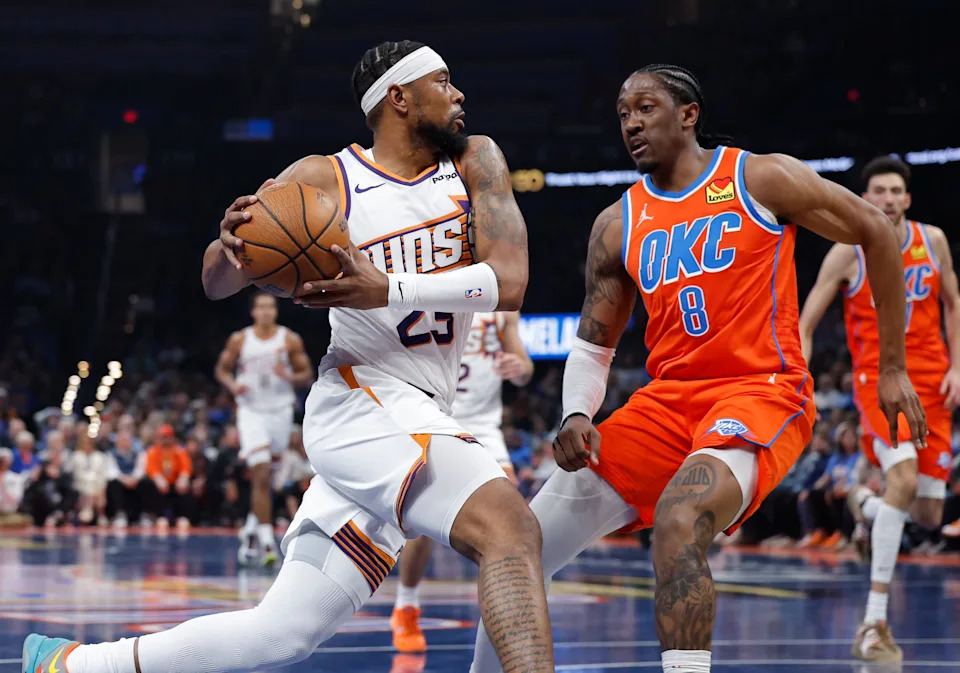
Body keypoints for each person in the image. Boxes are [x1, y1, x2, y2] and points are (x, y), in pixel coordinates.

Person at [24, 40, 553, 673]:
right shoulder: (321, 179)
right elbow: (215, 282)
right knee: (512, 531)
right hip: (363, 398)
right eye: (444, 81)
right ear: (400, 98)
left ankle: (70, 665)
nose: (459, 94)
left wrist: (387, 287)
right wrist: (229, 247)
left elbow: (512, 281)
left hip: (414, 412)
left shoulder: (476, 161)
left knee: (282, 634)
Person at [468, 64, 926, 673]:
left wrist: (893, 367)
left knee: (679, 519)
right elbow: (595, 343)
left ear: (689, 115)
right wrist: (577, 411)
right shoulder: (616, 223)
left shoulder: (757, 177)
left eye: (646, 108)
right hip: (667, 403)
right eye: (623, 112)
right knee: (514, 547)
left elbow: (875, 230)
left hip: (758, 392)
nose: (631, 122)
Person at [798, 155, 957, 661]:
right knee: (905, 481)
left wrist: (958, 366)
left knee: (929, 514)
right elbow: (806, 321)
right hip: (880, 382)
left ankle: (862, 505)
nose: (886, 199)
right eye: (878, 192)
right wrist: (798, 373)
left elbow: (953, 301)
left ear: (907, 198)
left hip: (933, 382)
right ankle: (873, 624)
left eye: (895, 191)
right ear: (864, 199)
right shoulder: (849, 252)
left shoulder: (932, 242)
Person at [391, 311, 534, 652]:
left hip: (483, 424)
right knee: (421, 522)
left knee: (512, 522)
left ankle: (506, 617)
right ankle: (405, 605)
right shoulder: (431, 288)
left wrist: (519, 369)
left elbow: (525, 368)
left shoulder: (501, 306)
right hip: (435, 416)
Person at [215, 291, 313, 565]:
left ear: (275, 311)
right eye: (262, 307)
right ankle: (269, 542)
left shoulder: (289, 339)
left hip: (280, 411)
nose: (267, 311)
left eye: (271, 307)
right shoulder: (240, 339)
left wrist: (290, 376)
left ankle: (250, 531)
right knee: (259, 472)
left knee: (269, 479)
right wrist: (234, 385)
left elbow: (307, 374)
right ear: (254, 312)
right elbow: (222, 370)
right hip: (251, 411)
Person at [141, 424, 194, 531]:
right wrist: (158, 479)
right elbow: (151, 469)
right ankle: (158, 516)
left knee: (187, 486)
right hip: (160, 486)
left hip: (175, 485)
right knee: (146, 484)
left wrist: (183, 479)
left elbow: (186, 468)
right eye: (163, 437)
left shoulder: (179, 451)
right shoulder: (153, 451)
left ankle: (183, 516)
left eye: (168, 436)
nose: (165, 439)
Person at [105, 429, 146, 527]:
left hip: (134, 481)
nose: (125, 442)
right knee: (113, 483)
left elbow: (141, 469)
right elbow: (112, 471)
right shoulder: (111, 453)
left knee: (146, 482)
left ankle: (144, 515)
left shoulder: (138, 453)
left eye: (127, 440)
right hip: (120, 481)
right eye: (122, 439)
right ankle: (120, 514)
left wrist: (134, 478)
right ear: (117, 441)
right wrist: (124, 479)